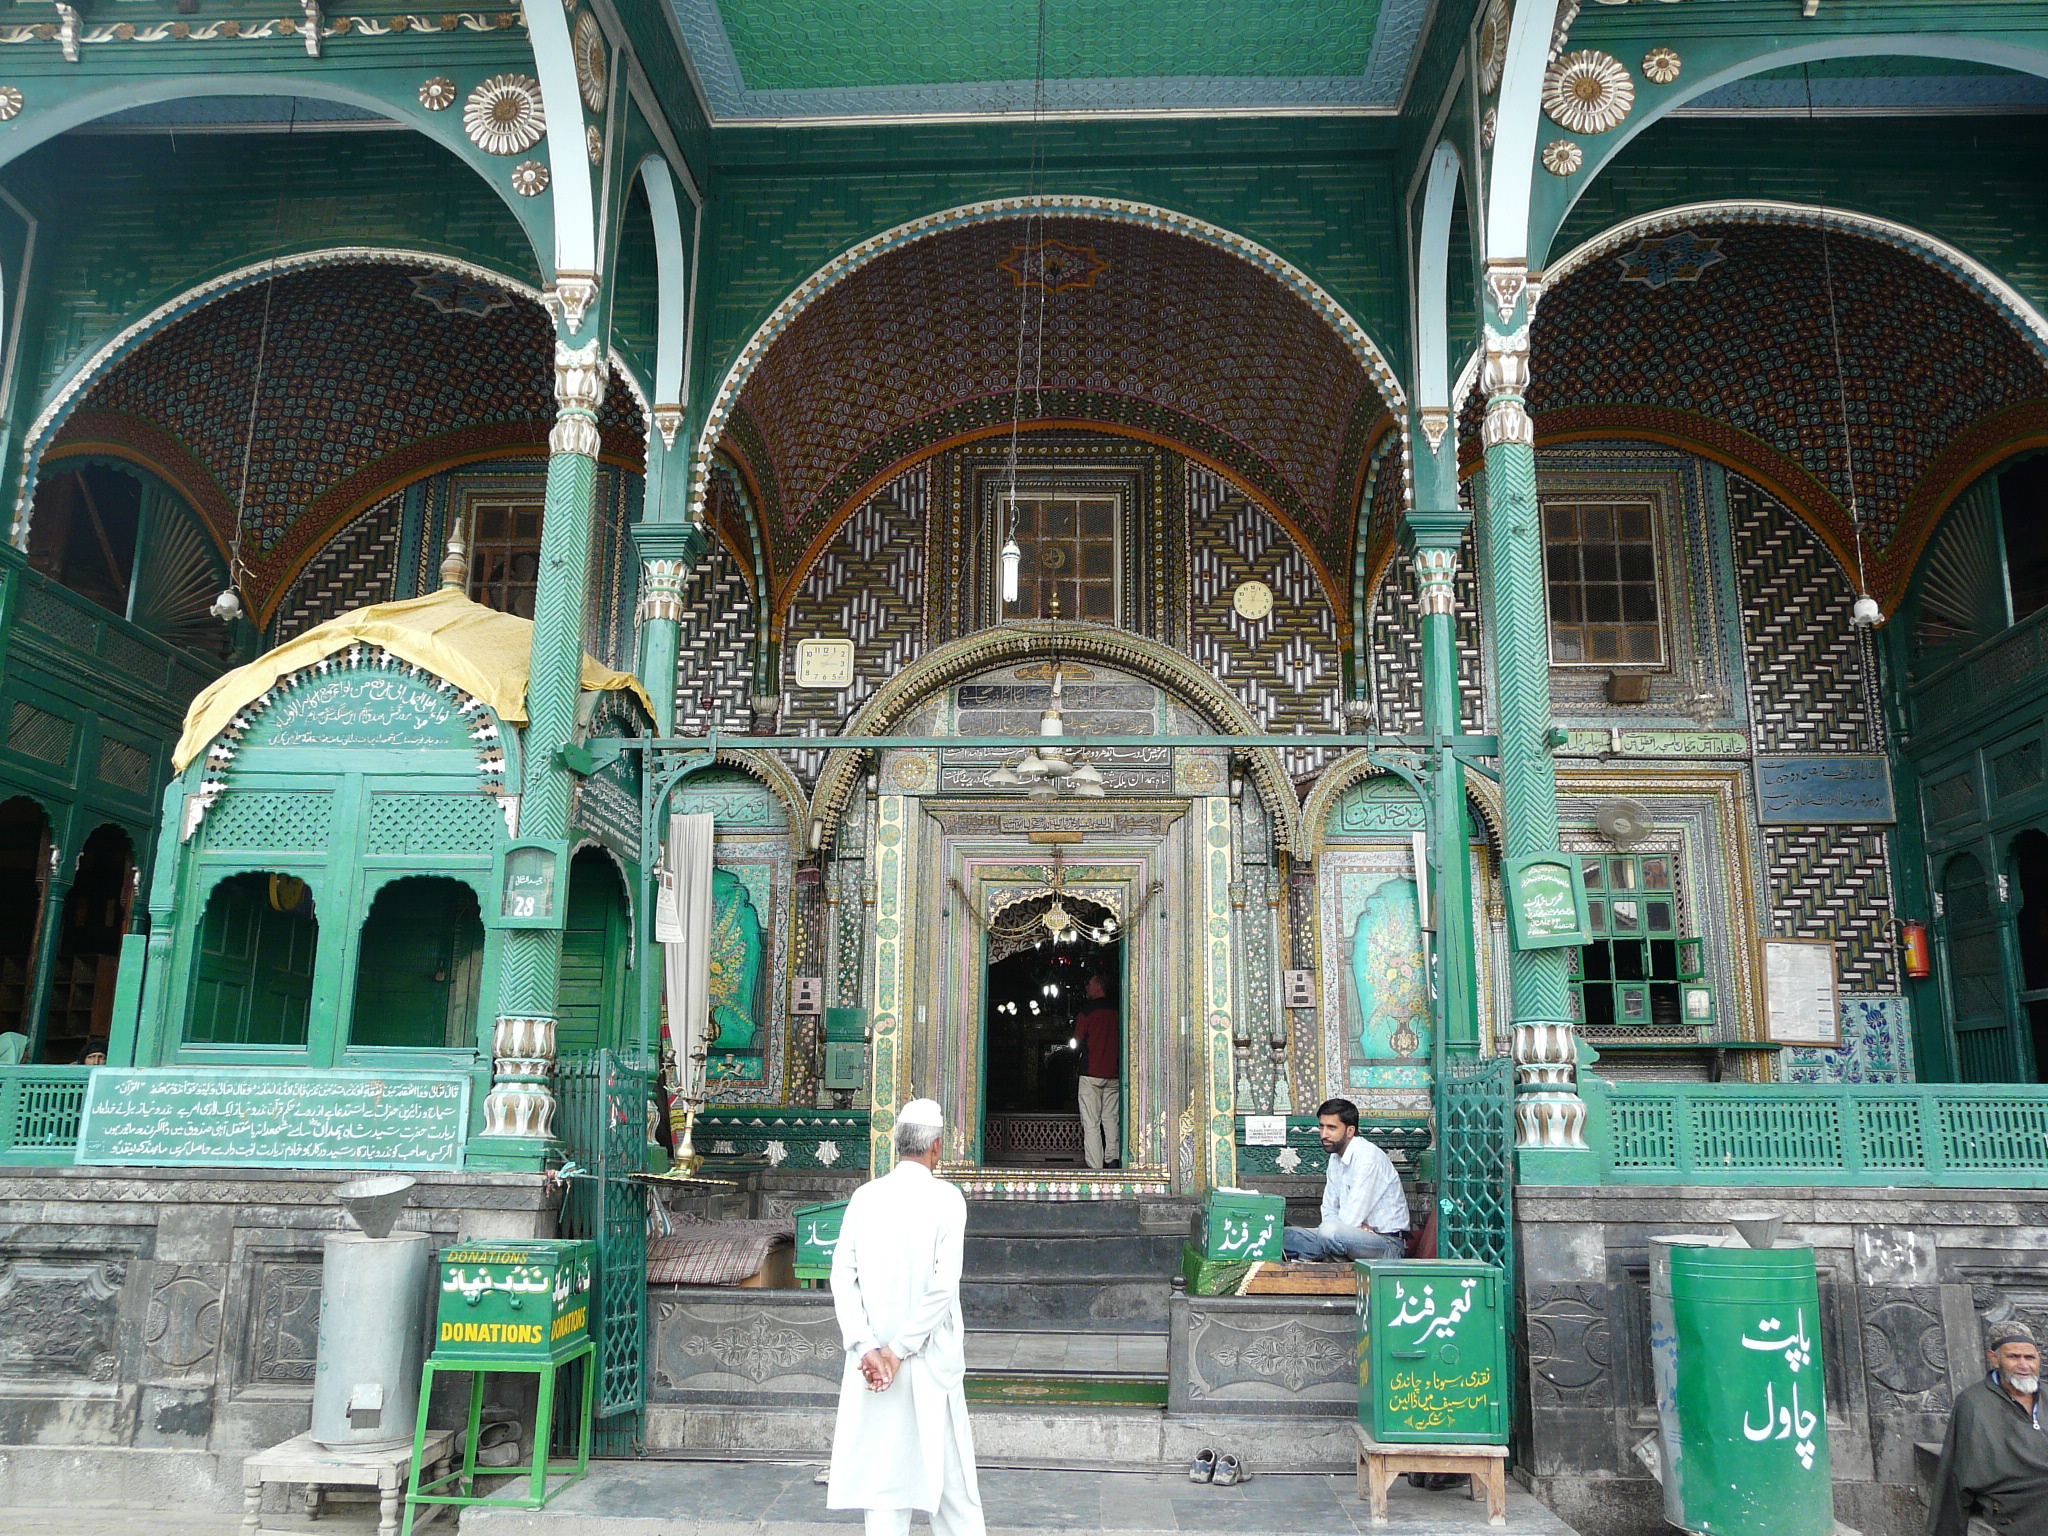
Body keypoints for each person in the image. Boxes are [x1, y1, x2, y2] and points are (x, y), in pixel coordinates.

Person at [827, 1098, 985, 1536]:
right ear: (936, 1148)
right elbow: (942, 1289)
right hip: (925, 1361)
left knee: (885, 1484)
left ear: (899, 1145)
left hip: (874, 1368)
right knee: (952, 1485)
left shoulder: (865, 1197)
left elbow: (842, 1276)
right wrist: (897, 1352)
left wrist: (867, 1347)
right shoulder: (947, 1200)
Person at [1928, 1319, 2048, 1536]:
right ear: (1995, 1358)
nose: (2023, 1365)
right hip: (2012, 1498)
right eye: (2013, 1357)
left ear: (2039, 1358)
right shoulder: (1974, 1402)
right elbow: (1955, 1470)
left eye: (2029, 1357)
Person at [1279, 1097, 1409, 1262]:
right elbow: (1328, 1209)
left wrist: (1348, 1229)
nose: (1324, 1134)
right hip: (1347, 1237)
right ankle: (1331, 1254)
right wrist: (1353, 1230)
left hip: (1386, 1243)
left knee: (1329, 1232)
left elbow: (1350, 1218)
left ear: (1350, 1131)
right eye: (1322, 1127)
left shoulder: (1367, 1158)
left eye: (1331, 1128)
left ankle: (1324, 1256)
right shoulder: (1335, 1158)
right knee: (1284, 1235)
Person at [1073, 972, 1121, 1170]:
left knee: (1091, 1122)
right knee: (1111, 1119)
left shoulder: (1087, 1011)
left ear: (1099, 986)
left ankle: (1095, 1167)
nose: (1087, 988)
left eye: (1090, 984)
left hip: (1091, 1075)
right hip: (1115, 1074)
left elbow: (1077, 1040)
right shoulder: (1119, 1010)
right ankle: (1112, 1160)